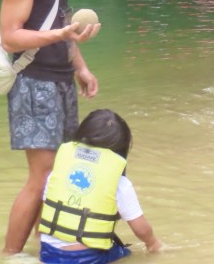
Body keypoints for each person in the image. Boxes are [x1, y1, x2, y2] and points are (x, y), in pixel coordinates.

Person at [0, 0, 102, 256]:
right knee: (41, 176)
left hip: (59, 76)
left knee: (56, 173)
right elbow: (10, 37)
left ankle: (44, 247)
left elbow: (61, 16)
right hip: (33, 82)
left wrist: (80, 66)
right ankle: (11, 255)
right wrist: (60, 36)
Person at [39, 109, 163, 262]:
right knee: (128, 254)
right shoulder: (120, 183)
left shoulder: (59, 170)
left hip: (48, 252)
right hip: (87, 257)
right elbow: (140, 229)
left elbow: (47, 207)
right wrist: (153, 244)